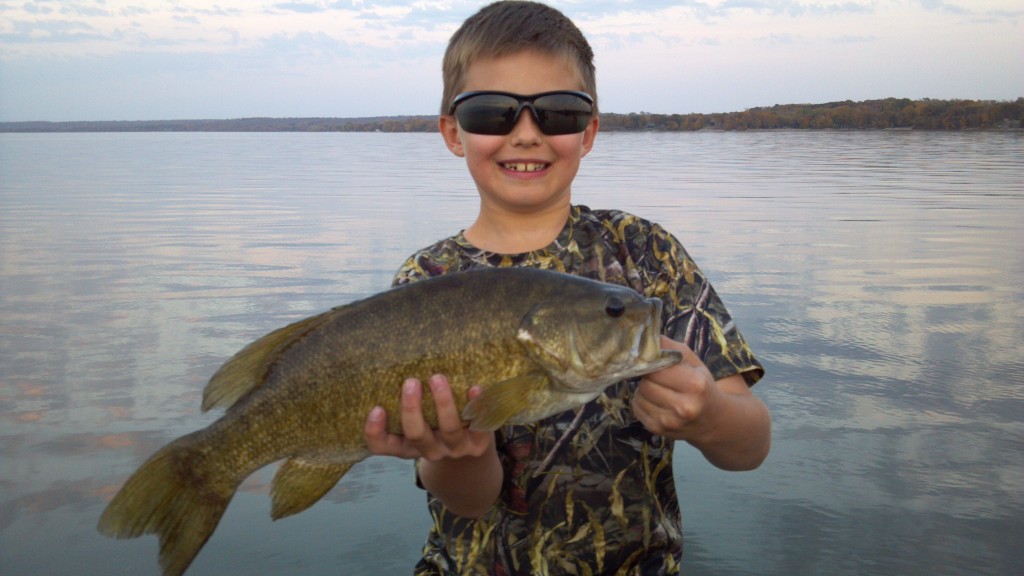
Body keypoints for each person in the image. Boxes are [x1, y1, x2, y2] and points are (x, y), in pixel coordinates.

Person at [363, 2, 771, 574]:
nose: (526, 135)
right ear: (453, 133)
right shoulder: (427, 281)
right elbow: (470, 500)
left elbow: (750, 447)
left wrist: (710, 416)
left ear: (589, 132)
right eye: (490, 112)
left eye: (558, 112)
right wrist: (464, 453)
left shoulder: (647, 255)